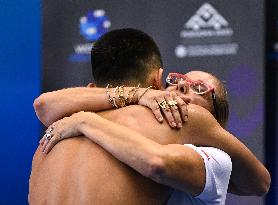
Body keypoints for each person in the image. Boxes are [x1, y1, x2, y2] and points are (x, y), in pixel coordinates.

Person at [29, 28, 270, 205]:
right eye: (176, 81)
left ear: (217, 121)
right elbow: (43, 104)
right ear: (158, 83)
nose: (183, 87)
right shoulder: (153, 124)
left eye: (200, 88)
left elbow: (259, 182)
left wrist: (86, 120)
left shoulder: (58, 134)